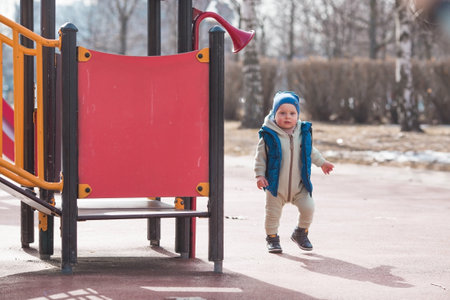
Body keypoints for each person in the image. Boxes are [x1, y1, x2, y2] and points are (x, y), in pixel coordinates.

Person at [254, 91, 334, 253]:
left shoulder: (302, 133)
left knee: (308, 207)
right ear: (274, 114)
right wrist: (260, 175)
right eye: (282, 113)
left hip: (299, 185)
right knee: (272, 214)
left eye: (292, 113)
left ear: (298, 115)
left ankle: (300, 233)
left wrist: (322, 163)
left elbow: (310, 151)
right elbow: (260, 157)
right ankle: (272, 238)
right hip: (275, 186)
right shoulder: (268, 135)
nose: (287, 117)